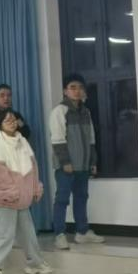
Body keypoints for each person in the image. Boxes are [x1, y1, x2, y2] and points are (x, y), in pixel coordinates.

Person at [0, 108, 51, 274]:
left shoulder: (23, 141)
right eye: (7, 120)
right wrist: (10, 192)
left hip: (22, 199)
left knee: (28, 233)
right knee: (3, 234)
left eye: (13, 120)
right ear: (0, 124)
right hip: (5, 200)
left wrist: (34, 188)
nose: (12, 123)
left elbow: (33, 168)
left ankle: (35, 263)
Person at [49, 74, 103, 250]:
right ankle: (59, 235)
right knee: (62, 199)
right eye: (72, 87)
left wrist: (92, 161)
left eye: (80, 87)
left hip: (83, 164)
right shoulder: (59, 111)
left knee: (81, 197)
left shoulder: (86, 112)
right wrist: (65, 162)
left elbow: (91, 139)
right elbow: (57, 139)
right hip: (66, 165)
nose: (77, 91)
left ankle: (82, 232)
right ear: (65, 91)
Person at [0, 84, 31, 148]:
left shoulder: (17, 116)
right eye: (2, 95)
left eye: (9, 95)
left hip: (17, 149)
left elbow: (26, 132)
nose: (6, 98)